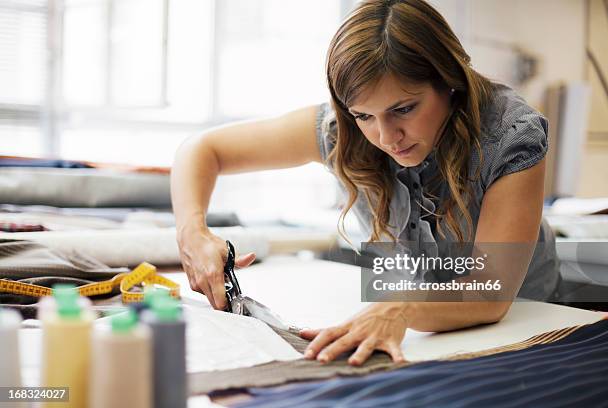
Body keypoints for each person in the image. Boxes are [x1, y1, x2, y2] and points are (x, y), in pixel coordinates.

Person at [170, 0, 559, 366]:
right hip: (424, 332)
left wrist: (399, 307)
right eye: (363, 115)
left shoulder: (510, 134)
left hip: (532, 324)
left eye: (403, 109)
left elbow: (489, 292)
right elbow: (204, 149)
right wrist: (192, 232)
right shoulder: (341, 130)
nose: (387, 137)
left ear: (449, 82)